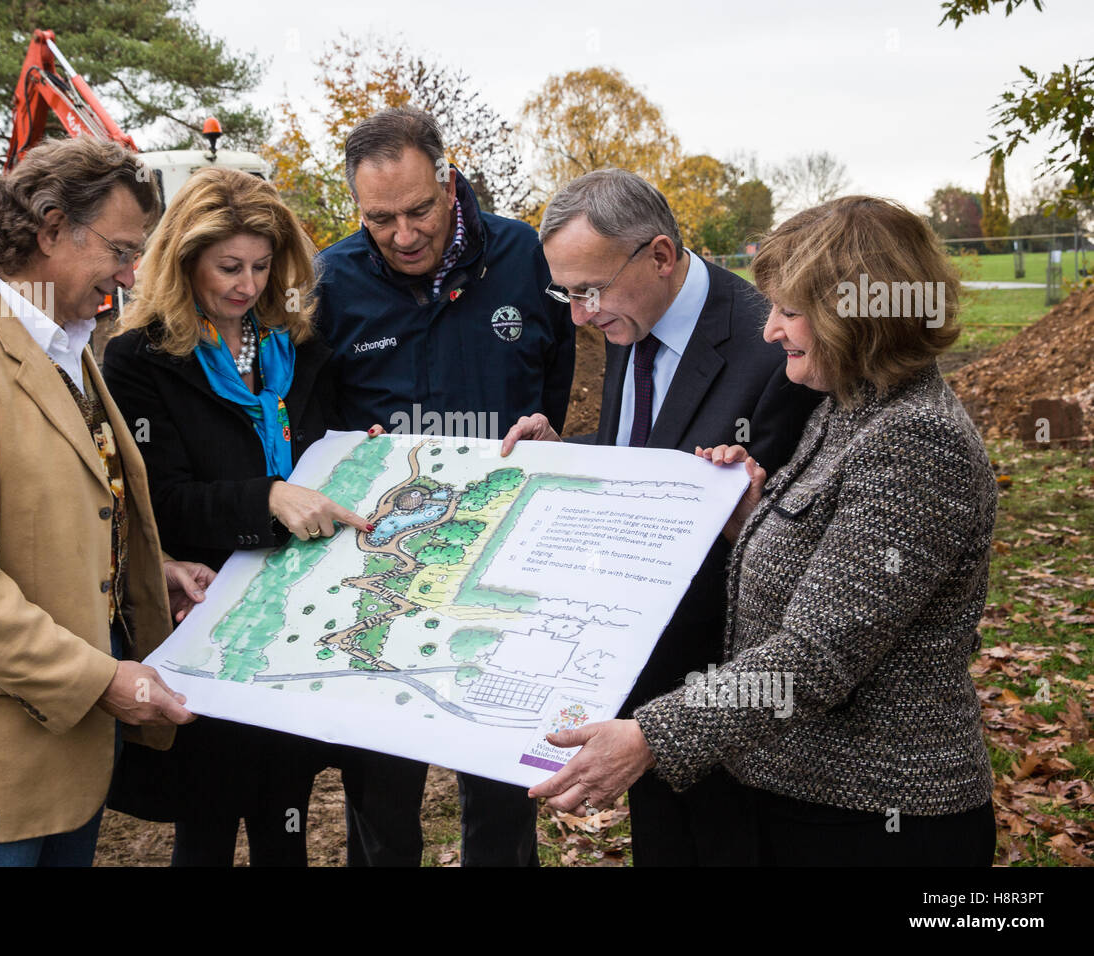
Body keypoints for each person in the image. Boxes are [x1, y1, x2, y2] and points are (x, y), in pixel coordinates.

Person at [528, 195, 997, 866]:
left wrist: (653, 736)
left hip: (876, 814)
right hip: (805, 798)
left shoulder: (913, 440)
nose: (771, 330)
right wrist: (748, 516)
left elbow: (816, 656)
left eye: (790, 311)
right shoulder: (851, 409)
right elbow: (827, 575)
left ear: (859, 313)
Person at [0, 137, 214, 867]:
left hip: (67, 751)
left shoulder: (67, 343)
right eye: (122, 250)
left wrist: (149, 573)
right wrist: (101, 678)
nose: (130, 275)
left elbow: (72, 510)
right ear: (52, 228)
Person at [501, 168, 821, 865]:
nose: (580, 315)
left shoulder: (772, 345)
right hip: (639, 685)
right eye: (566, 294)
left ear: (661, 256)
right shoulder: (633, 315)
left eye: (590, 291)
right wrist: (574, 455)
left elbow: (785, 537)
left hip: (730, 702)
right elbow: (655, 452)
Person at [316, 106, 576, 867]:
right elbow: (316, 417)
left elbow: (554, 373)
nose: (403, 234)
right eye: (380, 218)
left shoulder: (523, 254)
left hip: (502, 547)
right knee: (380, 784)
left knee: (500, 781)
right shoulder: (334, 281)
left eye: (419, 209)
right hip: (383, 562)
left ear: (449, 180)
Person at [101, 167, 369, 866]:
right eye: (227, 267)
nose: (246, 285)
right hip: (207, 616)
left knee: (287, 811)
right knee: (208, 818)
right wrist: (266, 498)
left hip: (303, 615)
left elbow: (330, 449)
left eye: (260, 265)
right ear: (183, 259)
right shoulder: (138, 360)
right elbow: (157, 500)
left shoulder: (301, 346)